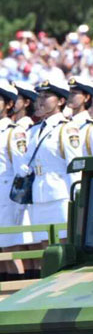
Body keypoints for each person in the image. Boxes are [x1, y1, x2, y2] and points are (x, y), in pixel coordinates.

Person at [21, 79, 83, 250]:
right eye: (39, 95)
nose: (40, 100)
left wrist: (76, 198)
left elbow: (74, 167)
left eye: (47, 96)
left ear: (61, 101)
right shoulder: (34, 130)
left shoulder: (66, 129)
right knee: (45, 247)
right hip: (39, 194)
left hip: (60, 195)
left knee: (63, 245)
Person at [0, 81, 28, 277]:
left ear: (9, 105)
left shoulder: (13, 132)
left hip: (7, 196)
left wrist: (18, 203)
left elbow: (22, 170)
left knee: (10, 249)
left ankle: (18, 291)